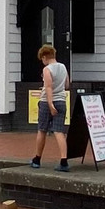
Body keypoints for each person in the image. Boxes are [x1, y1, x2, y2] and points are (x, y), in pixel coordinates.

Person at [29, 44, 71, 172]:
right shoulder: (63, 67)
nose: (42, 62)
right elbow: (67, 84)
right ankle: (64, 161)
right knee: (59, 132)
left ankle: (37, 159)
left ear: (45, 57)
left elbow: (48, 88)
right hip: (62, 101)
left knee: (42, 130)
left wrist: (50, 104)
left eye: (42, 59)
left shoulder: (47, 69)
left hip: (48, 103)